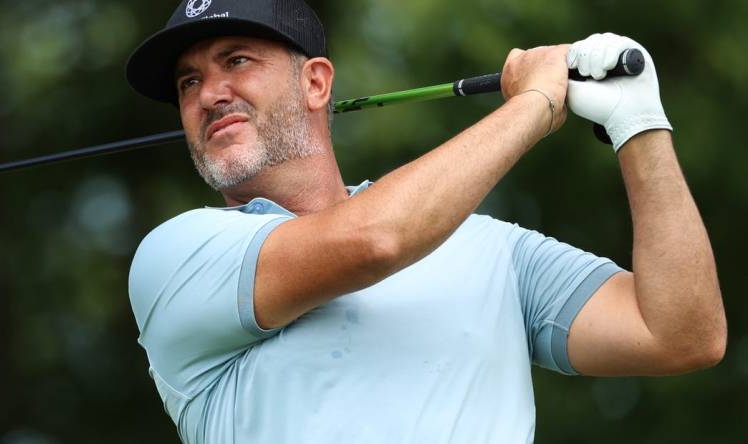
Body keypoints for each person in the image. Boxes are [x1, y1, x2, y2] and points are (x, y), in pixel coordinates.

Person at [126, 1, 727, 443]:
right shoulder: (178, 255)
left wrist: (640, 125)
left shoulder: (492, 249)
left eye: (236, 61)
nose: (210, 94)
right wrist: (535, 105)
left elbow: (680, 333)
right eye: (190, 82)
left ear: (315, 83)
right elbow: (375, 240)